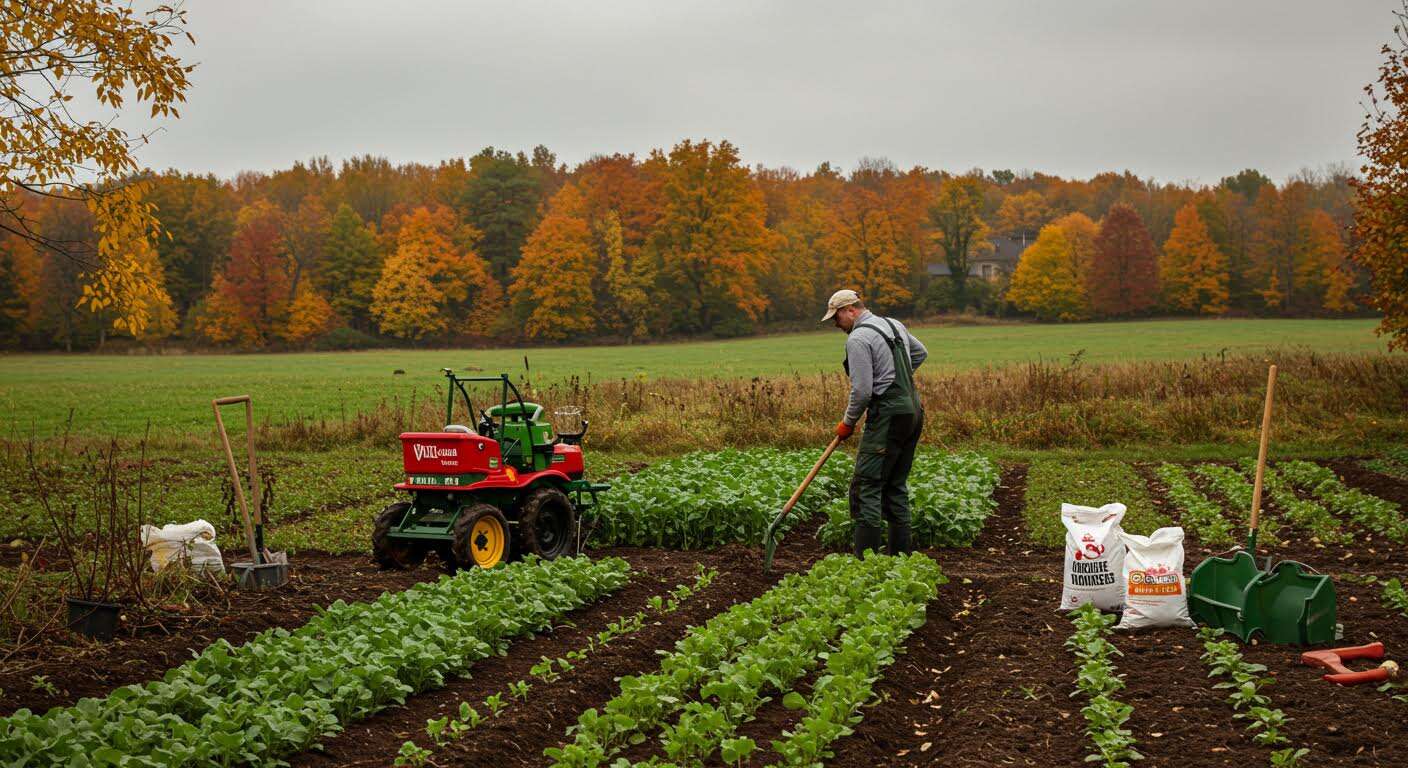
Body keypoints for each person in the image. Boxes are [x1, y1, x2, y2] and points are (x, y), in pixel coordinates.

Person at [821, 289, 928, 557]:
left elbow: (862, 391)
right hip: (913, 411)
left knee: (867, 484)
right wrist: (893, 379)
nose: (836, 325)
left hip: (889, 416)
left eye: (836, 318)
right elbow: (920, 353)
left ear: (850, 311)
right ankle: (899, 557)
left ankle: (865, 561)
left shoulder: (858, 338)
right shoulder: (893, 324)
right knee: (895, 484)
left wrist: (848, 423)